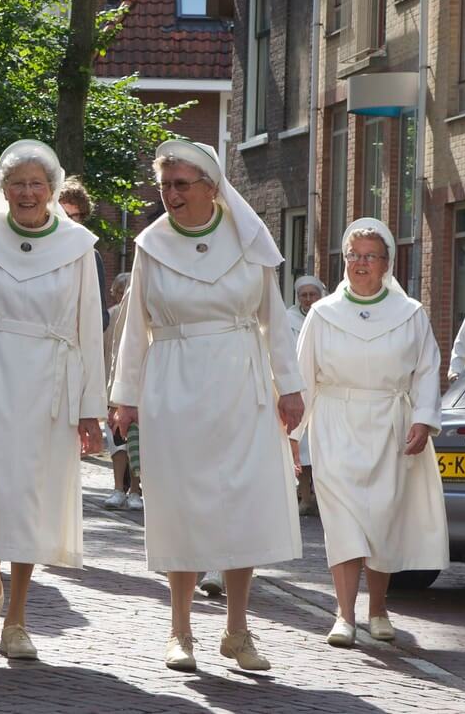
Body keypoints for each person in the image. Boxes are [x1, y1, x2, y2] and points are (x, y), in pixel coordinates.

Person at [111, 140, 304, 673]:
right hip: (175, 382)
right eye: (165, 184)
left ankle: (237, 630)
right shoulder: (151, 244)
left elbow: (274, 317)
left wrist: (290, 386)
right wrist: (124, 397)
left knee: (243, 501)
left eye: (181, 184)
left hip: (243, 382)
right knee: (181, 503)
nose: (171, 194)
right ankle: (180, 630)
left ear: (211, 188)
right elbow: (134, 329)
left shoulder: (249, 238)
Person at [0, 140, 105, 660]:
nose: (28, 193)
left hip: (48, 384)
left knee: (32, 495)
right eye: (18, 184)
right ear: (3, 189)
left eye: (37, 184)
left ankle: (17, 616)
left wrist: (90, 407)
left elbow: (88, 330)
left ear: (53, 190)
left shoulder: (78, 245)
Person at [293, 217, 448, 649]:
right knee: (343, 520)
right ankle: (344, 615)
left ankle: (377, 609)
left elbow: (426, 370)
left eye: (370, 256)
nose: (361, 263)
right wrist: (291, 433)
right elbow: (303, 376)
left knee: (381, 518)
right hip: (335, 421)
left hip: (390, 424)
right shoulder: (322, 314)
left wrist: (423, 418)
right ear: (344, 260)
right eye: (354, 255)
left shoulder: (410, 314)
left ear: (386, 263)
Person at [287, 275, 327, 516]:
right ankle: (304, 496)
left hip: (324, 388)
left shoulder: (328, 316)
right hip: (299, 386)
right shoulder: (287, 320)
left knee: (320, 446)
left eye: (313, 294)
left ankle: (321, 496)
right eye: (304, 295)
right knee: (300, 446)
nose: (308, 299)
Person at [102, 272, 143, 511]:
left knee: (137, 441)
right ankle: (119, 487)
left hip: (140, 388)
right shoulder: (112, 317)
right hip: (114, 387)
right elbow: (108, 351)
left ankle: (136, 490)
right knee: (117, 443)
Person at [58, 177, 110, 331]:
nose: (66, 222)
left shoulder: (90, 256)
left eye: (73, 216)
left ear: (81, 218)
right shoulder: (34, 250)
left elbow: (102, 318)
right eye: (61, 214)